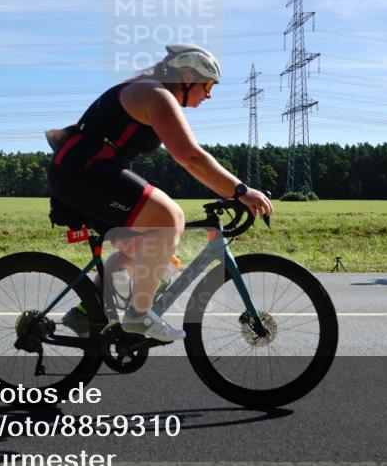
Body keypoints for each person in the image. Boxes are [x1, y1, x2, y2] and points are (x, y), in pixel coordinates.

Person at [47, 44, 273, 342]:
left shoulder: (148, 90)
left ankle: (87, 312)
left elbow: (187, 159)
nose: (209, 94)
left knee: (144, 254)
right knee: (170, 217)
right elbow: (191, 157)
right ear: (188, 76)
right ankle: (138, 316)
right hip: (84, 172)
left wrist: (232, 191)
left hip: (81, 171)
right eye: (207, 85)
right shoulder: (156, 94)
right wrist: (240, 191)